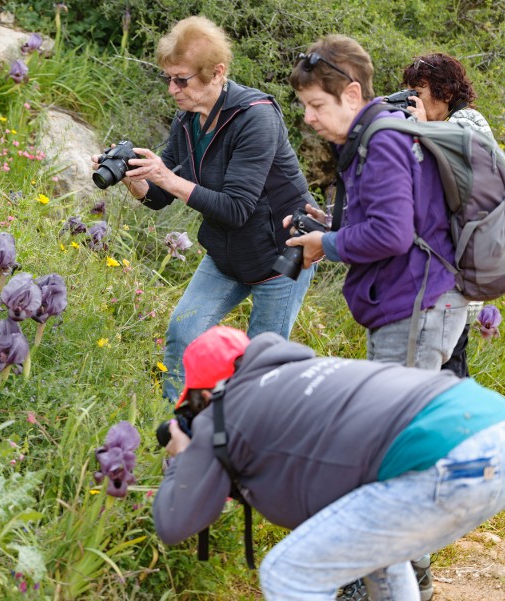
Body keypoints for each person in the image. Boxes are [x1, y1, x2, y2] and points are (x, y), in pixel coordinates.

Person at [153, 325, 505, 601]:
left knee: (288, 573)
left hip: (449, 454)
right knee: (376, 552)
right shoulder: (300, 373)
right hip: (488, 423)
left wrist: (185, 452)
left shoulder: (225, 412)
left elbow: (174, 523)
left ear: (203, 394)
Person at [92, 16, 315, 401]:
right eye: (168, 79)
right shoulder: (188, 118)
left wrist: (166, 177)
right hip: (227, 251)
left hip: (281, 255)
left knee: (260, 363)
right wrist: (132, 176)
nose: (172, 89)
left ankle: (248, 441)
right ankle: (175, 422)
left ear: (217, 73)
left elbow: (237, 208)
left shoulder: (256, 117)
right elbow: (159, 198)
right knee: (183, 333)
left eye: (182, 79)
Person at [286, 35, 468, 371]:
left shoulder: (383, 140)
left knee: (397, 421)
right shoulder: (372, 134)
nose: (309, 118)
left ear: (352, 94)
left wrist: (327, 242)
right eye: (305, 106)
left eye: (317, 105)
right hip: (408, 301)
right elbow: (392, 216)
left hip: (416, 304)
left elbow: (392, 233)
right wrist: (329, 226)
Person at [402, 52, 495, 378]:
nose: (415, 98)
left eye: (421, 89)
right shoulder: (457, 124)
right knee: (452, 368)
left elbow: (455, 188)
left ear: (446, 90)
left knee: (448, 372)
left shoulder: (463, 125)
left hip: (457, 270)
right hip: (459, 267)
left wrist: (424, 132)